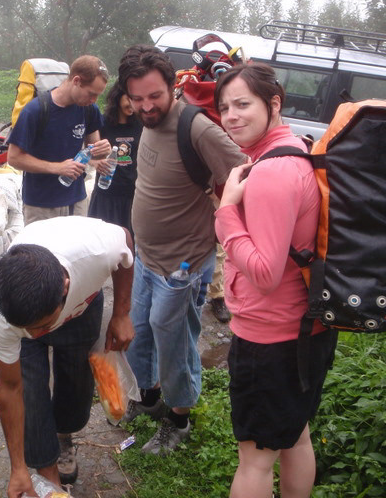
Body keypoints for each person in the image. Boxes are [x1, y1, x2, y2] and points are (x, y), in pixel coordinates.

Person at [213, 62, 336, 498]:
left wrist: (226, 212)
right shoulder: (298, 149)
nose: (231, 116)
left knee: (256, 460)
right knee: (296, 436)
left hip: (270, 341)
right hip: (308, 329)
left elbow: (264, 273)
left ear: (274, 104)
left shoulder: (272, 172)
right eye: (224, 107)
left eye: (242, 104)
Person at [118, 44, 244, 454]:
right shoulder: (147, 121)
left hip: (182, 266)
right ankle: (149, 398)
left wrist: (229, 221)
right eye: (137, 98)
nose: (146, 106)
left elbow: (245, 172)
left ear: (172, 86)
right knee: (139, 334)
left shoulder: (197, 128)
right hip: (146, 257)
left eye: (154, 96)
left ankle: (179, 420)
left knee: (175, 344)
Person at [0, 216, 134, 497]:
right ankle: (48, 477)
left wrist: (122, 313)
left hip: (82, 307)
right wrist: (18, 468)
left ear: (65, 286)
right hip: (34, 312)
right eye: (27, 328)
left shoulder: (98, 250)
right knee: (30, 393)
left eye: (42, 326)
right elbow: (11, 389)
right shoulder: (1, 315)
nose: (34, 334)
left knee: (76, 384)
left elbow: (126, 240)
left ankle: (64, 436)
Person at [8, 55, 111, 225]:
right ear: (76, 81)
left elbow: (94, 153)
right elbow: (13, 158)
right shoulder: (35, 110)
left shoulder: (89, 109)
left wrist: (103, 150)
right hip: (41, 204)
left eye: (98, 95)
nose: (94, 100)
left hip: (76, 201)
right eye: (91, 94)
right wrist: (57, 167)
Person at [87, 81, 143, 240]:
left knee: (130, 243)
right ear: (118, 97)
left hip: (133, 196)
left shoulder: (141, 124)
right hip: (106, 196)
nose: (132, 104)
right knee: (104, 242)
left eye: (136, 99)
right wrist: (95, 163)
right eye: (129, 98)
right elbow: (86, 152)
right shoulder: (102, 123)